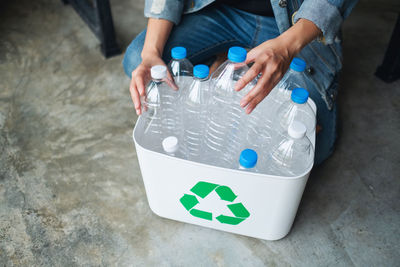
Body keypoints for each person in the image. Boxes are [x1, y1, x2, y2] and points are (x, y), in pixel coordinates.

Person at [122, 0, 358, 166]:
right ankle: (231, 60)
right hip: (218, 11)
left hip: (293, 24)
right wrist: (151, 52)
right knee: (140, 62)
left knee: (313, 151)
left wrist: (287, 47)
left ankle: (232, 61)